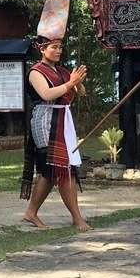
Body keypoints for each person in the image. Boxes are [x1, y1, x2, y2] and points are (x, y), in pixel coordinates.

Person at [20, 36, 90, 231]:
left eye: (60, 47)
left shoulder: (62, 71)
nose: (59, 51)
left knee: (54, 170)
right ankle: (76, 217)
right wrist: (70, 83)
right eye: (54, 47)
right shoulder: (35, 72)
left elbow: (80, 92)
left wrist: (77, 82)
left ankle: (31, 212)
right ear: (42, 49)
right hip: (46, 120)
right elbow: (47, 94)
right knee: (56, 167)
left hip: (63, 119)